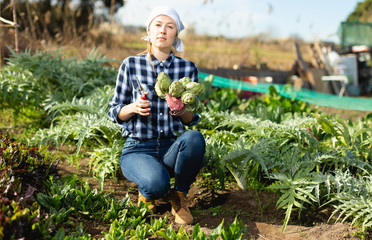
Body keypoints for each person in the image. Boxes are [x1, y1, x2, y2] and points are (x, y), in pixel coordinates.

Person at [108, 6, 205, 225]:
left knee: (194, 139)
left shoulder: (188, 68)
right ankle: (150, 189)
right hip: (138, 148)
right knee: (156, 185)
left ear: (175, 35)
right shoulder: (131, 64)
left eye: (170, 26)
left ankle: (179, 196)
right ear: (149, 31)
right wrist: (133, 107)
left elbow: (191, 119)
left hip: (171, 147)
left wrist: (182, 111)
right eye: (158, 25)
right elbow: (114, 110)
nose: (163, 30)